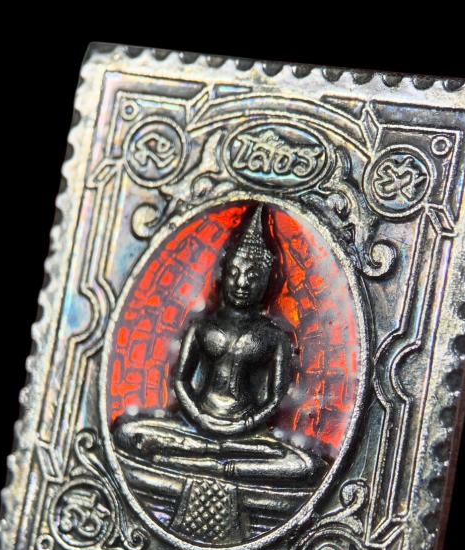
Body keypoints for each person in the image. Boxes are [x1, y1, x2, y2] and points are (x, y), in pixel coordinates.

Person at [113, 203, 322, 486]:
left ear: (268, 280)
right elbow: (180, 382)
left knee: (306, 466)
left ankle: (200, 465)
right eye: (234, 273)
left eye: (252, 277)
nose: (241, 283)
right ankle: (218, 463)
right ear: (223, 273)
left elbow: (275, 398)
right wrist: (199, 417)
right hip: (196, 425)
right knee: (127, 433)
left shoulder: (274, 337)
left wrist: (246, 425)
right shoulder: (202, 326)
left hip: (245, 435)